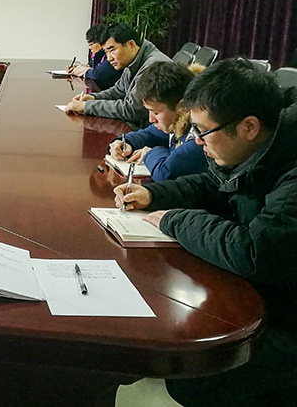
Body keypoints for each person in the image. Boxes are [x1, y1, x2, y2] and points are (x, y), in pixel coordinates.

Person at [114, 59, 297, 405]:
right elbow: (212, 185)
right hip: (266, 294)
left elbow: (253, 251)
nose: (196, 141)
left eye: (202, 131)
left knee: (195, 379)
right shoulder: (257, 149)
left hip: (287, 321)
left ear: (249, 127)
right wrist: (154, 195)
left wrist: (174, 219)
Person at [107, 61, 207, 182]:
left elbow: (166, 173)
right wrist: (125, 142)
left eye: (156, 112)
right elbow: (150, 134)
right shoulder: (177, 120)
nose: (151, 119)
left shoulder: (200, 134)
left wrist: (150, 153)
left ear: (182, 106)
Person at [65, 22, 170, 126]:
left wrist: (87, 106)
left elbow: (132, 110)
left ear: (131, 45)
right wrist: (93, 98)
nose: (109, 58)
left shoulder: (154, 67)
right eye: (106, 52)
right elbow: (118, 90)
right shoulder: (133, 61)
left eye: (112, 50)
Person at [67, 23, 121, 90]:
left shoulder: (111, 57)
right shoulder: (99, 55)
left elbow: (98, 74)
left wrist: (82, 71)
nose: (89, 48)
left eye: (91, 44)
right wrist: (76, 68)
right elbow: (91, 66)